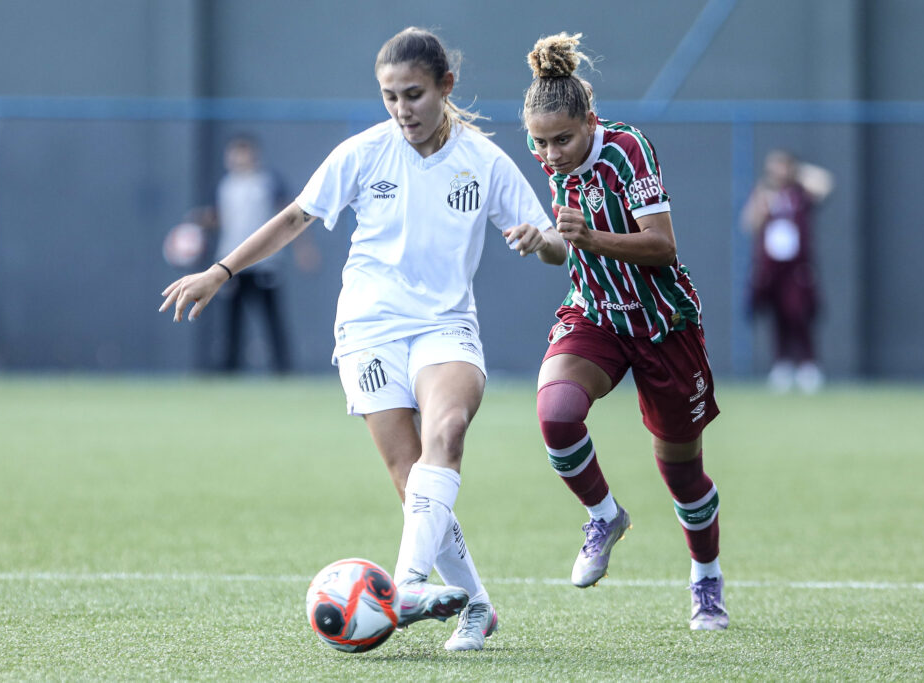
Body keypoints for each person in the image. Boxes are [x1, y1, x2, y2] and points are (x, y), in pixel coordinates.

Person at [159, 27, 566, 651]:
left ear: (445, 87)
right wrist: (220, 272)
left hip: (445, 325)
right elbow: (296, 216)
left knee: (447, 433)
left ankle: (401, 587)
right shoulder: (365, 151)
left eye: (414, 94)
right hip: (368, 327)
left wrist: (544, 243)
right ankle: (477, 606)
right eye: (390, 97)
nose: (402, 109)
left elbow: (556, 244)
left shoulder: (483, 160)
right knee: (412, 480)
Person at [521, 33, 728, 630]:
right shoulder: (551, 159)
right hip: (597, 314)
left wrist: (586, 238)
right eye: (540, 142)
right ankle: (604, 516)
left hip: (664, 324)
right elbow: (567, 248)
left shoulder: (628, 150)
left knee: (682, 472)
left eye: (562, 139)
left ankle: (706, 579)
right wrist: (544, 245)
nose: (552, 153)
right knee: (556, 414)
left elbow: (662, 247)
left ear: (589, 120)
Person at [213, 134, 317, 374]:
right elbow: (219, 217)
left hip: (265, 263)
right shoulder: (225, 185)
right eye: (234, 152)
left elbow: (291, 217)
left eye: (243, 151)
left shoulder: (268, 182)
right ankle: (227, 372)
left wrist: (304, 248)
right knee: (231, 322)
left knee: (272, 319)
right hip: (230, 264)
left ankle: (283, 370)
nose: (238, 158)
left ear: (254, 154)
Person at [742, 149, 833, 393]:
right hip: (772, 267)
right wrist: (761, 202)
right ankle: (782, 365)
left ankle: (808, 365)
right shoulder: (765, 194)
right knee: (777, 314)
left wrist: (797, 172)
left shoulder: (800, 194)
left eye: (781, 166)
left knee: (799, 312)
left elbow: (825, 183)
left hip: (797, 267)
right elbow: (749, 223)